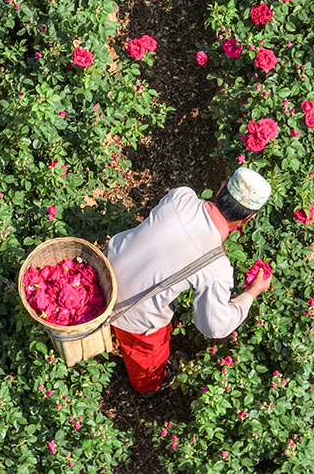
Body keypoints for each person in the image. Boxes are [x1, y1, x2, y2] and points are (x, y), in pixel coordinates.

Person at [104, 167, 273, 395]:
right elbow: (213, 326)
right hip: (132, 315)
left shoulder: (180, 196)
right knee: (148, 359)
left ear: (221, 187)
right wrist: (251, 293)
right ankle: (148, 387)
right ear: (249, 218)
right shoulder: (216, 267)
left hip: (102, 273)